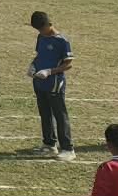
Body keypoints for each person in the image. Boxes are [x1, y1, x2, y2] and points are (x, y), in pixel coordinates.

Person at [29, 10, 76, 160]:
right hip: (39, 82)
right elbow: (39, 55)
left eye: (41, 29)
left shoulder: (62, 41)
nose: (41, 32)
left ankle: (68, 148)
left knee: (60, 115)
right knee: (45, 113)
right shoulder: (40, 37)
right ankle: (49, 144)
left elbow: (68, 64)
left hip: (54, 82)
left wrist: (50, 71)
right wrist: (33, 66)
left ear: (49, 24)